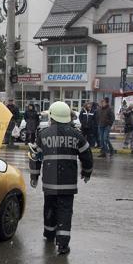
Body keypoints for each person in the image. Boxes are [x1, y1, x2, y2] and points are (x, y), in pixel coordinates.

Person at [28, 101, 93, 255]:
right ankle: (62, 245)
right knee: (65, 211)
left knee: (49, 207)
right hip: (68, 183)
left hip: (50, 183)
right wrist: (87, 172)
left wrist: (34, 176)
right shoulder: (76, 134)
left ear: (52, 116)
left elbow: (35, 157)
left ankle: (49, 234)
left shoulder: (43, 134)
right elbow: (87, 155)